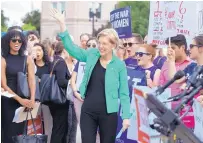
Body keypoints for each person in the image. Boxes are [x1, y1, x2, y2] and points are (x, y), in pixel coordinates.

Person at [50, 8, 131, 143]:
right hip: (88, 111)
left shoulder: (119, 65)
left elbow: (124, 93)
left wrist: (127, 117)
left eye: (104, 43)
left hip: (109, 113)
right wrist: (62, 25)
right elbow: (72, 48)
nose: (100, 46)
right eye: (99, 43)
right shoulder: (92, 54)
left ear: (113, 45)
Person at [1, 30, 36, 143]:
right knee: (8, 131)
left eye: (19, 40)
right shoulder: (3, 59)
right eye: (14, 40)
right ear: (8, 42)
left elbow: (32, 80)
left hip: (25, 98)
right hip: (8, 99)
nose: (17, 42)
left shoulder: (27, 59)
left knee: (21, 133)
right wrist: (19, 99)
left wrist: (32, 99)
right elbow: (3, 84)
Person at [167, 35, 203, 129]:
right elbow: (175, 78)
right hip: (188, 116)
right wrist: (171, 60)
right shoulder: (192, 66)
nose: (188, 49)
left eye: (191, 46)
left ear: (201, 48)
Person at [47, 41, 71, 143]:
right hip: (60, 100)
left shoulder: (54, 61)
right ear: (64, 50)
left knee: (58, 127)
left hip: (53, 99)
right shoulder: (61, 62)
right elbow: (61, 81)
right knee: (59, 128)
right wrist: (71, 83)